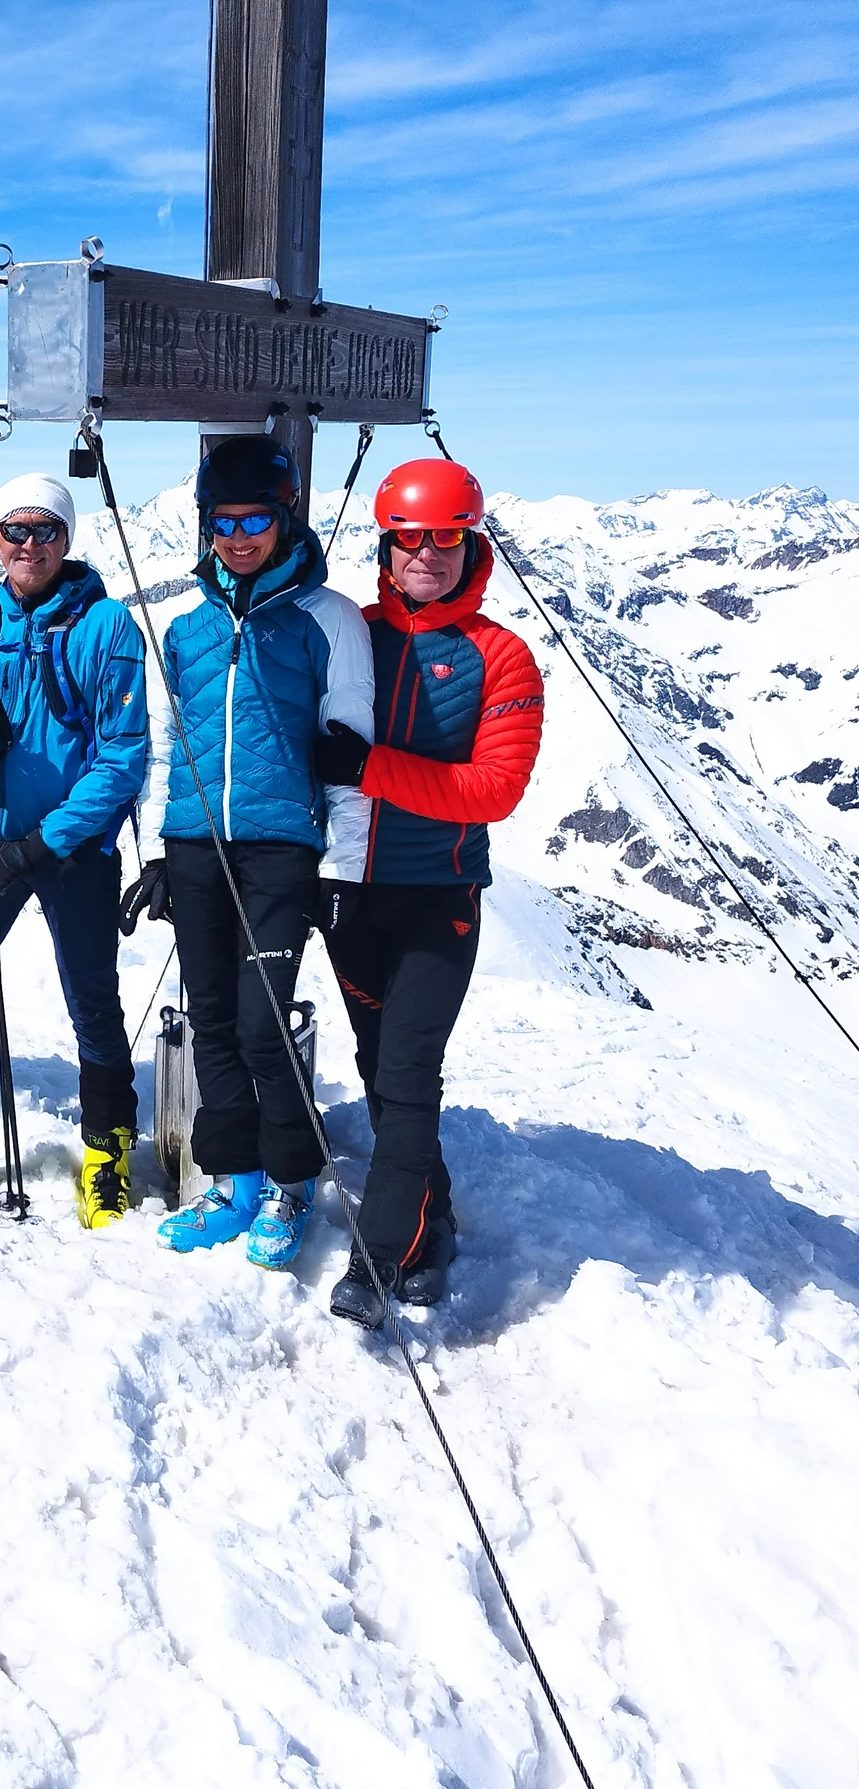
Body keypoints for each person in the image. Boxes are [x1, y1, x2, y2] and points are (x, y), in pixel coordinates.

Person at [128, 434, 373, 1269]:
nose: (238, 536)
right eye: (221, 520)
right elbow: (171, 741)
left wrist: (342, 869)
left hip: (279, 849)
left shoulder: (324, 618)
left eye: (254, 519)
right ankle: (233, 1181)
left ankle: (291, 1184)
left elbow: (349, 755)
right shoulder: (188, 626)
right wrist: (165, 846)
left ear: (284, 517)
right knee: (212, 1021)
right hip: (198, 846)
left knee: (266, 1027)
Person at [310, 458, 544, 1323]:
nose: (426, 553)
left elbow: (494, 790)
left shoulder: (501, 656)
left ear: (470, 544)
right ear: (386, 543)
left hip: (439, 895)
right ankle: (431, 1215)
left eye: (446, 536)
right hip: (351, 895)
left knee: (408, 1073)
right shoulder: (350, 632)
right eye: (410, 536)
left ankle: (379, 1259)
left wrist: (369, 769)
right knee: (380, 1070)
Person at [0, 475, 150, 1225]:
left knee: (93, 1007)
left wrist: (39, 846)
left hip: (66, 849)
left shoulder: (107, 626)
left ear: (66, 540)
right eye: (14, 531)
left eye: (44, 530)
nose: (28, 545)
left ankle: (107, 1155)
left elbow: (122, 759)